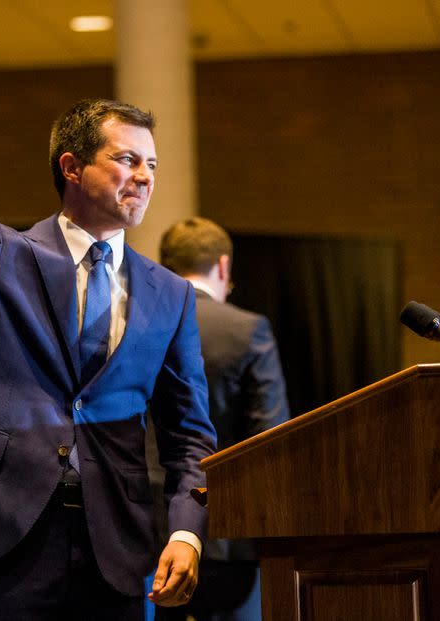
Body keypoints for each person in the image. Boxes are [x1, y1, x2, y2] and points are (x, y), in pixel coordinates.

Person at [0, 22, 217, 620]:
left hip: (118, 544)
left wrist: (187, 531)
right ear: (72, 166)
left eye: (153, 164)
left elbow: (189, 435)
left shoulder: (170, 295)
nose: (143, 176)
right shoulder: (0, 254)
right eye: (126, 159)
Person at [155, 217, 290, 621]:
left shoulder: (137, 327)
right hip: (228, 540)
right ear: (224, 267)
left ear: (164, 268)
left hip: (146, 535)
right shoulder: (248, 330)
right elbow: (271, 438)